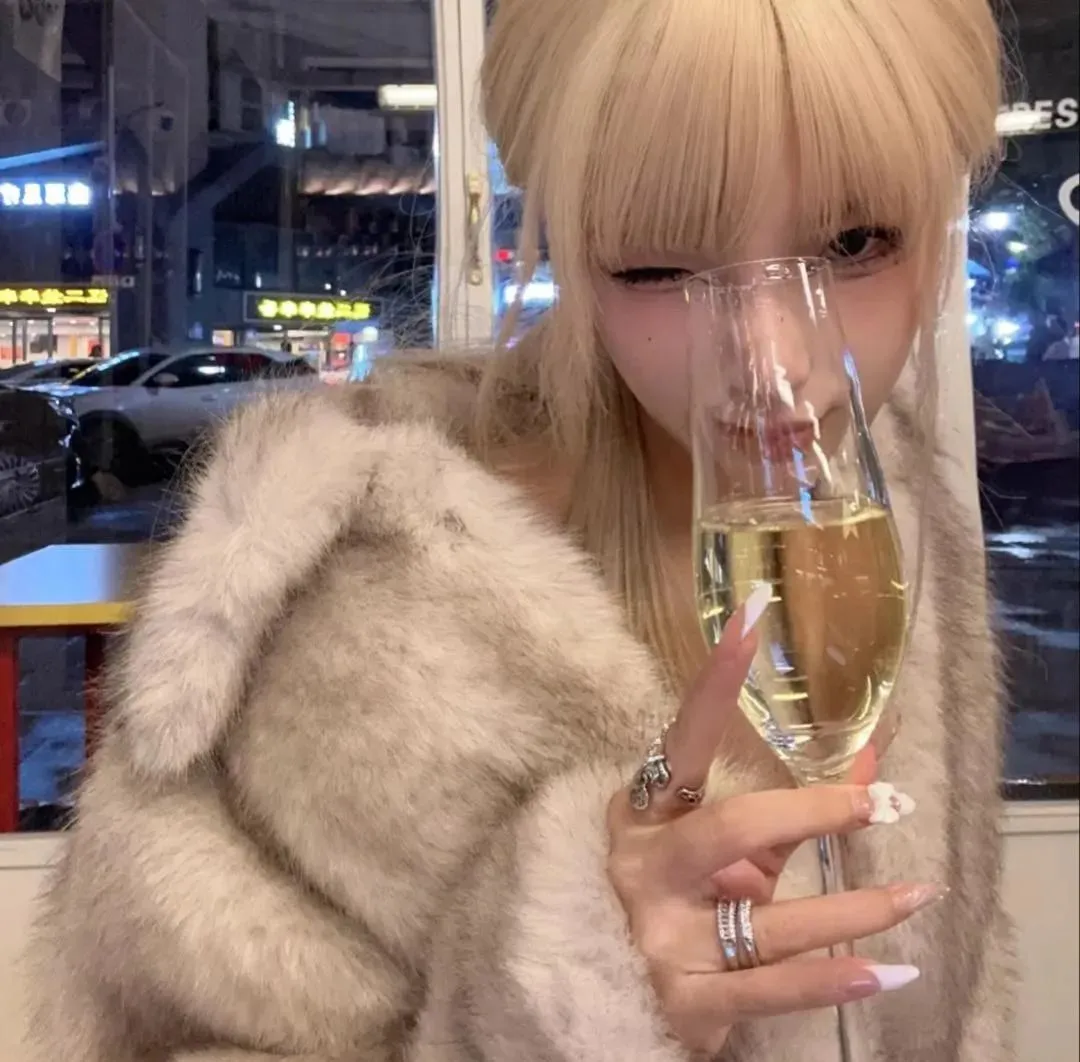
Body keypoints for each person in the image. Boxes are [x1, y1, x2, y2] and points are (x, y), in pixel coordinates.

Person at [29, 1, 1015, 1060]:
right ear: (572, 247)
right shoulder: (355, 607)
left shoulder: (888, 508)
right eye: (657, 266)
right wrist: (564, 1001)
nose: (774, 368)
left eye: (857, 242)